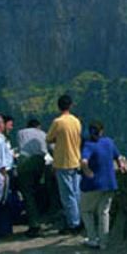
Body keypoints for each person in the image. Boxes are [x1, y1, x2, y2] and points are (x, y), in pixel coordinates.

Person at [80, 120, 124, 249]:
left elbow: (83, 161)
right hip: (110, 183)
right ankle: (104, 242)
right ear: (102, 131)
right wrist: (121, 165)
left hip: (93, 184)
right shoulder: (109, 142)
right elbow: (118, 156)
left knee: (86, 210)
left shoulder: (89, 145)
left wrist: (87, 172)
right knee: (104, 212)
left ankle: (93, 239)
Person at [46, 95, 83, 234]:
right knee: (76, 192)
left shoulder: (58, 122)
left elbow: (49, 138)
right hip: (76, 159)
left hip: (63, 161)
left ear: (59, 106)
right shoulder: (76, 121)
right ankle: (80, 219)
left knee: (67, 195)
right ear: (71, 105)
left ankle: (73, 224)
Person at [16, 119, 47, 238]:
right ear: (38, 126)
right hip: (40, 162)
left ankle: (34, 225)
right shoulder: (43, 133)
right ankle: (40, 217)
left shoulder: (21, 132)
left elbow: (20, 147)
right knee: (38, 190)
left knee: (27, 193)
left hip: (25, 163)